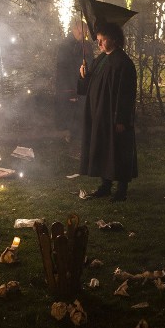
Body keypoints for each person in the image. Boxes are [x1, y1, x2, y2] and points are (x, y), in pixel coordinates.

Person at [78, 22, 137, 202]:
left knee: (119, 150)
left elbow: (126, 94)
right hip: (100, 114)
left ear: (113, 39)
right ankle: (105, 185)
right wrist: (84, 74)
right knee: (104, 149)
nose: (99, 44)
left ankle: (121, 189)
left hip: (114, 115)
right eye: (98, 40)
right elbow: (91, 83)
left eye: (102, 40)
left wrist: (121, 119)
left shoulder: (123, 63)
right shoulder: (101, 59)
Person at [55, 19, 93, 154]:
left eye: (86, 30)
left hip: (84, 87)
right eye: (81, 30)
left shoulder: (86, 45)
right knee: (72, 116)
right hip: (71, 87)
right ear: (74, 29)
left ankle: (81, 143)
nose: (84, 33)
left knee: (82, 115)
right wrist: (70, 92)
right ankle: (71, 144)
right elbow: (64, 70)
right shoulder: (65, 46)